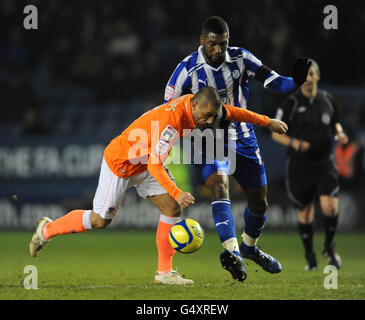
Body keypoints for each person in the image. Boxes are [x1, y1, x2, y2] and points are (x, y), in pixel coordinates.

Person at [29, 87, 288, 285]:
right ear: (194, 105)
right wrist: (178, 191)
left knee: (172, 209)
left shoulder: (200, 107)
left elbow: (234, 112)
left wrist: (268, 122)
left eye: (212, 117)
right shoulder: (171, 121)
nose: (209, 122)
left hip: (144, 162)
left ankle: (164, 272)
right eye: (207, 117)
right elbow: (156, 165)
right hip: (122, 163)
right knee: (100, 221)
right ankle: (47, 230)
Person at [164, 16, 310, 281]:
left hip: (244, 138)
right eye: (212, 45)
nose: (218, 50)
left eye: (222, 44)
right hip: (208, 139)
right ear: (202, 42)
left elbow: (276, 82)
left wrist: (296, 81)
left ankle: (249, 248)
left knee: (259, 203)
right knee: (219, 187)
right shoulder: (187, 69)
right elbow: (168, 108)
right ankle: (234, 254)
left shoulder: (241, 58)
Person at [272, 59, 348, 270]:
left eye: (311, 74)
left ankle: (329, 247)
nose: (308, 79)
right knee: (305, 212)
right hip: (300, 164)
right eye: (304, 75)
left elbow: (335, 122)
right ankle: (310, 258)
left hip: (324, 162)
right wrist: (295, 143)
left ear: (317, 76)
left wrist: (340, 133)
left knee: (330, 206)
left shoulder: (327, 99)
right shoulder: (291, 103)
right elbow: (276, 134)